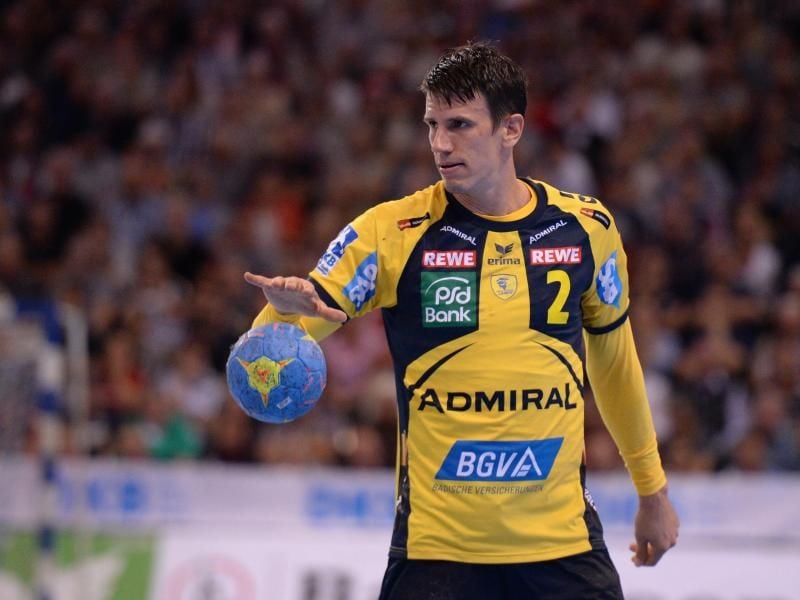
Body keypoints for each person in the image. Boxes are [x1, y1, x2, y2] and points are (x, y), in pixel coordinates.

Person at [245, 42, 678, 599]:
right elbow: (261, 366)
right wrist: (280, 315)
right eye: (432, 125)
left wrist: (651, 489)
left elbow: (615, 364)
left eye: (459, 125)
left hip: (563, 549)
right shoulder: (390, 232)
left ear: (511, 129)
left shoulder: (586, 228)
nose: (440, 144)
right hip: (436, 557)